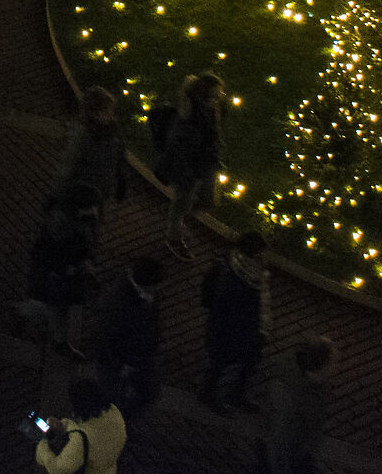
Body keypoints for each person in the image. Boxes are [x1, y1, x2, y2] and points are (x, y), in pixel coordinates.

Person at [15, 183, 101, 360]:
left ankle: (28, 316)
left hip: (61, 269)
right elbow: (62, 250)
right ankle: (55, 338)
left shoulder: (76, 217)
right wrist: (74, 266)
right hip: (55, 270)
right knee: (54, 306)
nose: (95, 210)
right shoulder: (63, 222)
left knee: (51, 305)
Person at [201, 231, 270, 411]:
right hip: (230, 329)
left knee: (248, 362)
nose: (264, 257)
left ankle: (236, 395)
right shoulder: (234, 275)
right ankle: (209, 394)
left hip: (247, 328)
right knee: (221, 362)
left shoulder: (253, 273)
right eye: (260, 252)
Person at [154, 71, 223, 251]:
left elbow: (211, 138)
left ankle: (181, 219)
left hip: (205, 164)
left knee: (209, 200)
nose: (219, 98)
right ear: (204, 97)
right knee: (181, 203)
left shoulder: (211, 110)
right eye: (216, 95)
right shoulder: (187, 119)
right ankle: (174, 235)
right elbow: (176, 150)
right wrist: (186, 176)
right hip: (188, 168)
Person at [91, 257, 163, 417]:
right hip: (120, 365)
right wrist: (119, 366)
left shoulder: (142, 294)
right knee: (115, 397)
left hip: (136, 360)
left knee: (140, 395)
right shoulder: (117, 303)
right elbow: (103, 338)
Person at [258, 337, 333, 473]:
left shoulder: (312, 386)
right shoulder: (294, 389)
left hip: (295, 454)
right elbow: (280, 433)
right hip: (288, 456)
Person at [53, 85, 128, 209]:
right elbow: (70, 164)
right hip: (78, 192)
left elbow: (119, 156)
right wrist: (58, 192)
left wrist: (121, 178)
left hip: (100, 192)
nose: (111, 115)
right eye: (107, 111)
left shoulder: (114, 133)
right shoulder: (83, 136)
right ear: (94, 113)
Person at [33, 375, 126, 474]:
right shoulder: (113, 410)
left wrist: (42, 446)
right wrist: (63, 425)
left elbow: (58, 468)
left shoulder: (80, 440)